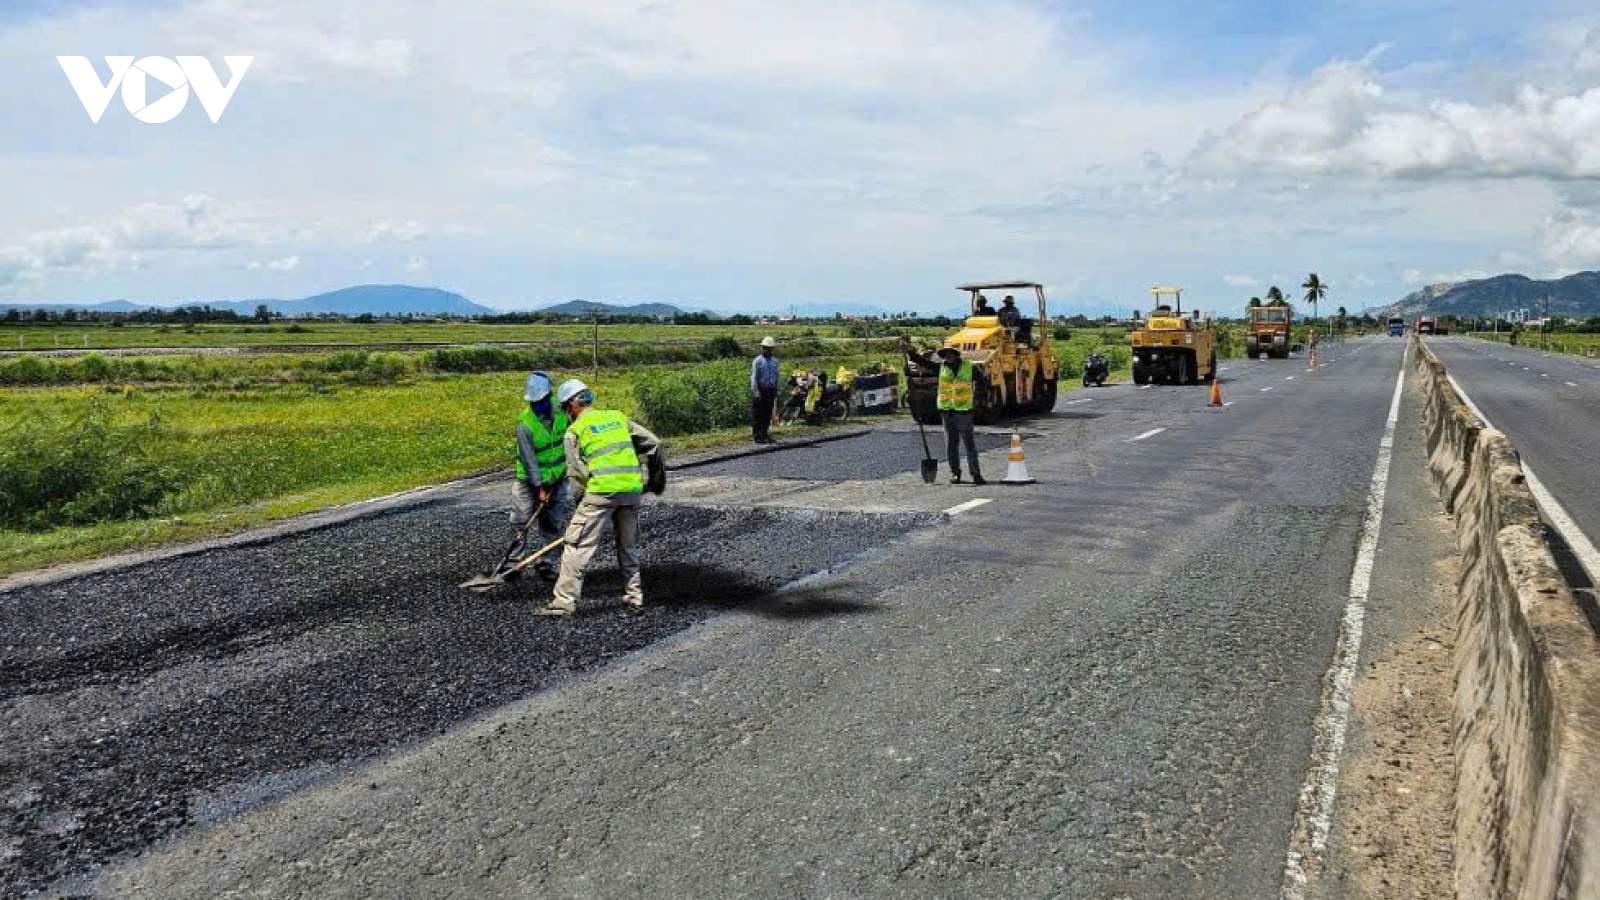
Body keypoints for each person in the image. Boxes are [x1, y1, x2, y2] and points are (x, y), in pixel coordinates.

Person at [536, 379, 662, 618]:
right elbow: (654, 444)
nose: (566, 413)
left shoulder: (574, 431)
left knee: (576, 545)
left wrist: (582, 503)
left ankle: (564, 603)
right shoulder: (618, 418)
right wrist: (655, 481)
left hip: (601, 491)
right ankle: (634, 597)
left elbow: (576, 473)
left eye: (565, 409)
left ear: (571, 406)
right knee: (628, 545)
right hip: (631, 491)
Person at [510, 371, 575, 581]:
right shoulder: (525, 425)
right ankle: (513, 565)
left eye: (541, 401)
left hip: (558, 478)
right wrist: (539, 488)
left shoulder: (562, 411)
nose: (536, 406)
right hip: (529, 481)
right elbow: (529, 460)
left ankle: (545, 563)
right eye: (533, 402)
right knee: (521, 521)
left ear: (549, 397)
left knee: (552, 522)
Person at [903, 342, 986, 485]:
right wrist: (910, 352)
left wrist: (977, 400)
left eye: (950, 353)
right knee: (951, 445)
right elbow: (924, 362)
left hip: (964, 412)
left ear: (955, 354)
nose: (948, 356)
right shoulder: (941, 368)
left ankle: (976, 475)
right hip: (947, 412)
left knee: (969, 445)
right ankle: (955, 474)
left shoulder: (968, 367)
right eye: (945, 354)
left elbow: (983, 381)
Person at [750, 336, 780, 444]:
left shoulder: (775, 362)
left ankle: (765, 434)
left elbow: (776, 376)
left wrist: (776, 389)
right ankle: (757, 436)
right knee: (758, 414)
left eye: (769, 348)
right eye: (765, 348)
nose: (767, 350)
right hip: (760, 390)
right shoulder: (757, 361)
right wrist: (756, 392)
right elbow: (754, 378)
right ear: (762, 348)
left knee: (767, 414)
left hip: (770, 390)